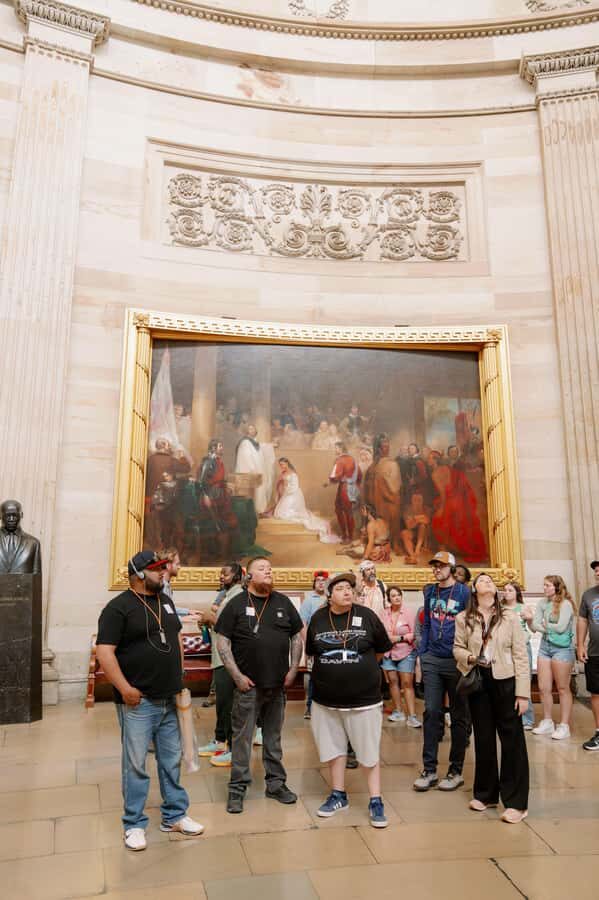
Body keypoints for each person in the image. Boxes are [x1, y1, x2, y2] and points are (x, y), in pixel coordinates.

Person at [95, 550, 204, 851]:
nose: (164, 573)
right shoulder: (118, 609)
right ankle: (134, 823)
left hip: (170, 697)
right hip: (137, 702)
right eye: (157, 569)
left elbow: (177, 639)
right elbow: (105, 652)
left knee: (170, 760)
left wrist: (180, 678)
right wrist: (125, 688)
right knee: (136, 765)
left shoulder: (165, 601)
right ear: (140, 574)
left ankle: (174, 815)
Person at [215, 556, 304, 814]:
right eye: (262, 569)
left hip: (277, 685)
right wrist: (237, 676)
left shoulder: (282, 602)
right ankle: (237, 787)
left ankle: (276, 784)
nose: (269, 572)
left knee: (273, 738)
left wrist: (294, 667)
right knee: (242, 739)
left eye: (271, 569)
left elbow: (296, 637)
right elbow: (223, 642)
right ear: (248, 575)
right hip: (248, 687)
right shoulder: (236, 604)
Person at [306, 572, 392, 827]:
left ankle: (376, 800)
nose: (347, 591)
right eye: (341, 588)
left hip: (363, 699)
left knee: (368, 751)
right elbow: (312, 652)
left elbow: (380, 650)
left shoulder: (366, 616)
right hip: (326, 700)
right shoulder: (319, 618)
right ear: (329, 593)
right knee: (333, 749)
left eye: (349, 588)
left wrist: (358, 669)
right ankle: (338, 794)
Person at [454, 572, 530, 824]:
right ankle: (486, 794)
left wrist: (523, 693)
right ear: (474, 589)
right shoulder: (464, 617)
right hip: (479, 680)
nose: (487, 582)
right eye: (482, 580)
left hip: (506, 681)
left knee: (512, 741)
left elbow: (520, 655)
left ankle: (516, 802)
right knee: (483, 738)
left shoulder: (509, 617)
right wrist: (471, 659)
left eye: (490, 580)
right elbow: (457, 648)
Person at [413, 551, 470, 792]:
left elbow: (472, 623)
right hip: (433, 659)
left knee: (458, 716)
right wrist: (422, 655)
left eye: (441, 566)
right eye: (434, 566)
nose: (437, 569)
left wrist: (467, 656)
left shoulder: (464, 593)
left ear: (452, 568)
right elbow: (426, 624)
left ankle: (455, 770)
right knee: (431, 711)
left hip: (456, 660)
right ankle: (429, 769)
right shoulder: (430, 591)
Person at [197, 563, 245, 767]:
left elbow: (234, 628)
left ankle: (233, 749)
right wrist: (208, 622)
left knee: (228, 705)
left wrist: (211, 618)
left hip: (229, 658)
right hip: (219, 656)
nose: (221, 577)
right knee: (222, 704)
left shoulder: (237, 596)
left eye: (224, 574)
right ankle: (219, 741)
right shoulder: (227, 595)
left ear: (236, 575)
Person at [531, 574, 577, 740]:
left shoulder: (566, 604)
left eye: (548, 585)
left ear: (557, 587)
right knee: (544, 688)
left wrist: (545, 626)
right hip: (545, 647)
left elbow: (561, 628)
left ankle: (564, 725)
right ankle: (548, 721)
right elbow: (535, 625)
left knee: (563, 688)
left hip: (562, 649)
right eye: (544, 585)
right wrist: (546, 627)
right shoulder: (542, 603)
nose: (544, 588)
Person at [268, 458, 339, 543]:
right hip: (286, 494)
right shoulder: (283, 473)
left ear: (287, 463)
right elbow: (281, 484)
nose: (282, 466)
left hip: (293, 495)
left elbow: (294, 487)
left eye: (283, 464)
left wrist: (286, 486)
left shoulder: (293, 474)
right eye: (280, 465)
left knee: (284, 513)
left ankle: (321, 525)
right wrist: (283, 487)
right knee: (278, 512)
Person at [381, 586, 421, 727]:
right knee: (392, 681)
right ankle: (398, 711)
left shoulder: (408, 612)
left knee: (407, 683)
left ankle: (412, 716)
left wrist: (399, 638)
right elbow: (382, 633)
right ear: (388, 599)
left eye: (399, 595)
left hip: (406, 652)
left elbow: (414, 634)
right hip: (388, 653)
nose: (397, 597)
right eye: (393, 596)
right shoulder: (384, 613)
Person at [196, 439, 238, 559]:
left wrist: (226, 485)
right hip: (211, 496)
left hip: (219, 494)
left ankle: (225, 553)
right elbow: (202, 481)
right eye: (220, 446)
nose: (222, 448)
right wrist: (206, 496)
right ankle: (219, 553)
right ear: (213, 448)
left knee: (227, 521)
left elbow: (218, 479)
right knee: (219, 524)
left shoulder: (217, 461)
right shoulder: (209, 461)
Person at [502, 581, 535, 730]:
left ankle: (527, 719)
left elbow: (532, 629)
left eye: (510, 590)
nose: (506, 592)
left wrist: (530, 618)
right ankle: (510, 715)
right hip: (506, 649)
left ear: (516, 593)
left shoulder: (523, 608)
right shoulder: (500, 609)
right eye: (505, 590)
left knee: (524, 679)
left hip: (523, 647)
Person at [300, 570, 329, 719]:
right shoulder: (309, 600)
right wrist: (307, 644)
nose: (321, 583)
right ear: (314, 583)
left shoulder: (332, 598)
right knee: (314, 676)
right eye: (318, 580)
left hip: (331, 644)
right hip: (315, 644)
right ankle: (310, 707)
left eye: (323, 580)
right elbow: (302, 624)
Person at [577, 560, 599, 751]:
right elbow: (583, 620)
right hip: (594, 652)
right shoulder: (588, 595)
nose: (598, 573)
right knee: (596, 693)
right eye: (596, 571)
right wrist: (580, 645)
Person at [234, 424, 276, 514]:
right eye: (249, 428)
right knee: (253, 493)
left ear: (256, 431)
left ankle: (259, 509)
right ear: (247, 431)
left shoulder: (254, 442)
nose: (251, 430)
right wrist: (253, 470)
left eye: (253, 428)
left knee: (259, 491)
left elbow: (262, 446)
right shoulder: (245, 442)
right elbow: (245, 457)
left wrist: (271, 445)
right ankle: (253, 510)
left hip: (258, 471)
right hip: (251, 473)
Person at [327, 442, 361, 544]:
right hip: (353, 487)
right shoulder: (353, 459)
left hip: (344, 488)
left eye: (336, 448)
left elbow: (335, 476)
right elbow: (359, 475)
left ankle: (346, 536)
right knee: (349, 511)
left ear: (341, 449)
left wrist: (330, 481)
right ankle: (350, 536)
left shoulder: (340, 460)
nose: (335, 450)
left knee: (339, 510)